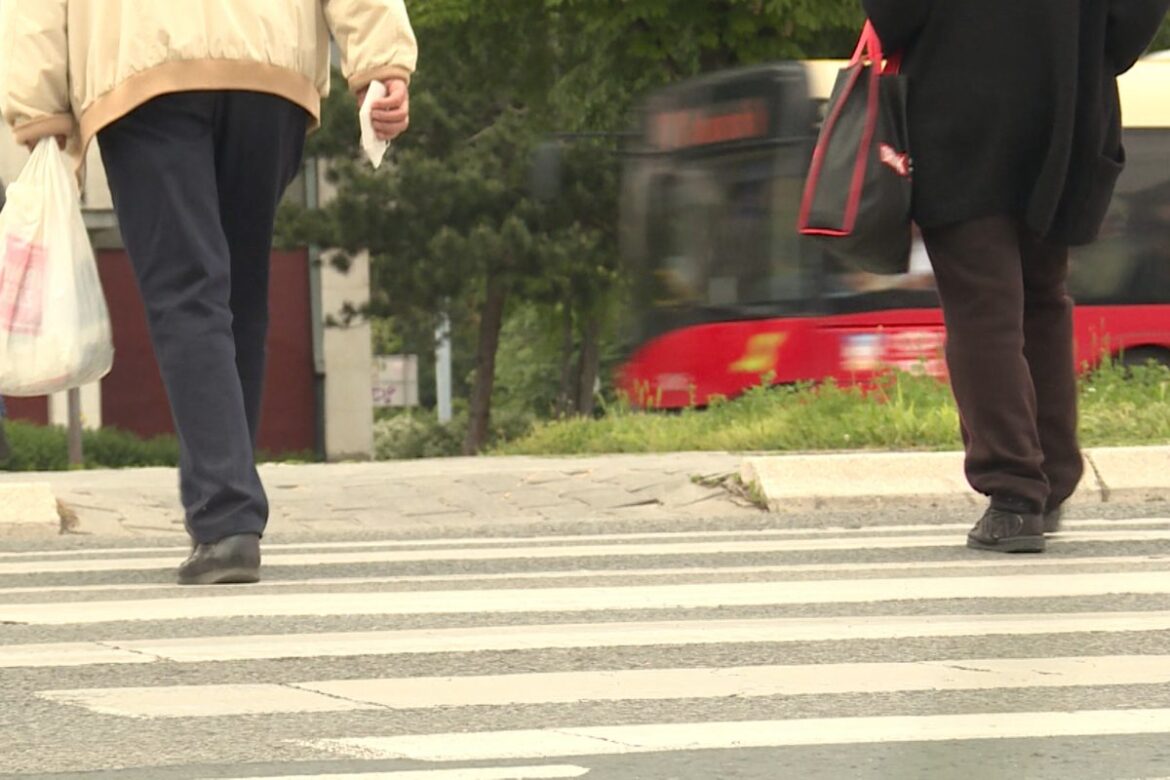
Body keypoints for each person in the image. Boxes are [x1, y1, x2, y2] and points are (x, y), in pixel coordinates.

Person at [0, 1, 417, 583]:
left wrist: (38, 109)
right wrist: (381, 60)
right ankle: (228, 507)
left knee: (188, 292)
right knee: (240, 294)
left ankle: (226, 519)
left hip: (140, 69)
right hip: (268, 70)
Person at [861, 0, 1170, 553]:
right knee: (1043, 297)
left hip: (959, 109)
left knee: (984, 306)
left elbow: (894, 14)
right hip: (1070, 108)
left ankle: (1013, 495)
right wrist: (1092, 48)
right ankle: (1047, 484)